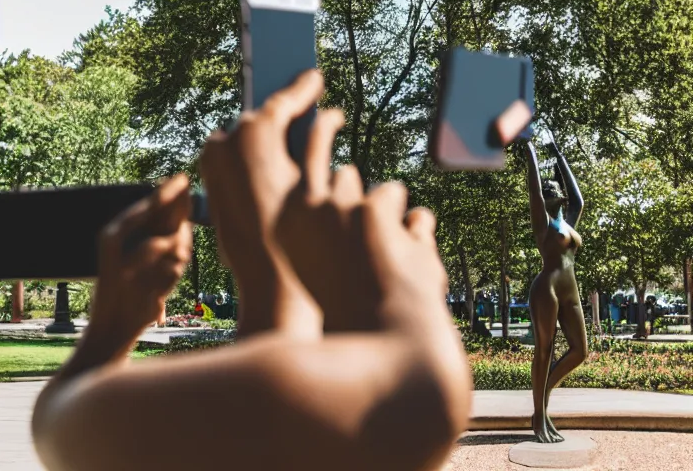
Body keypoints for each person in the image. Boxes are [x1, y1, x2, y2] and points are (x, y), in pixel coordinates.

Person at [31, 70, 477, 471]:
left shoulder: (101, 429)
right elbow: (416, 394)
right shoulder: (385, 419)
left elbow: (57, 421)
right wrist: (405, 286)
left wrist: (111, 329)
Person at [524, 133, 586, 444]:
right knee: (544, 351)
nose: (550, 192)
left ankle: (543, 396)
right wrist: (531, 151)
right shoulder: (543, 223)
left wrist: (557, 151)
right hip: (546, 288)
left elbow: (578, 199)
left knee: (580, 350)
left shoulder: (569, 221)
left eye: (554, 189)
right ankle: (540, 418)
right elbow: (534, 189)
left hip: (570, 290)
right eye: (547, 191)